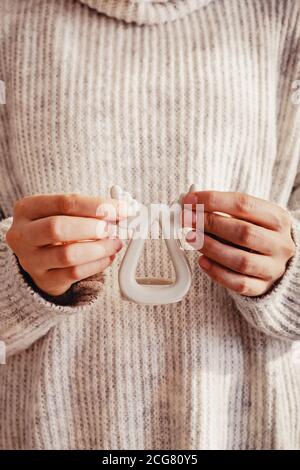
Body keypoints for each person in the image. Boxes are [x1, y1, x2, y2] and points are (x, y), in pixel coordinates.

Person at [0, 0, 299, 450]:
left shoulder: (285, 14)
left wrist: (287, 271)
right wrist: (19, 277)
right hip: (50, 427)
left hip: (241, 426)